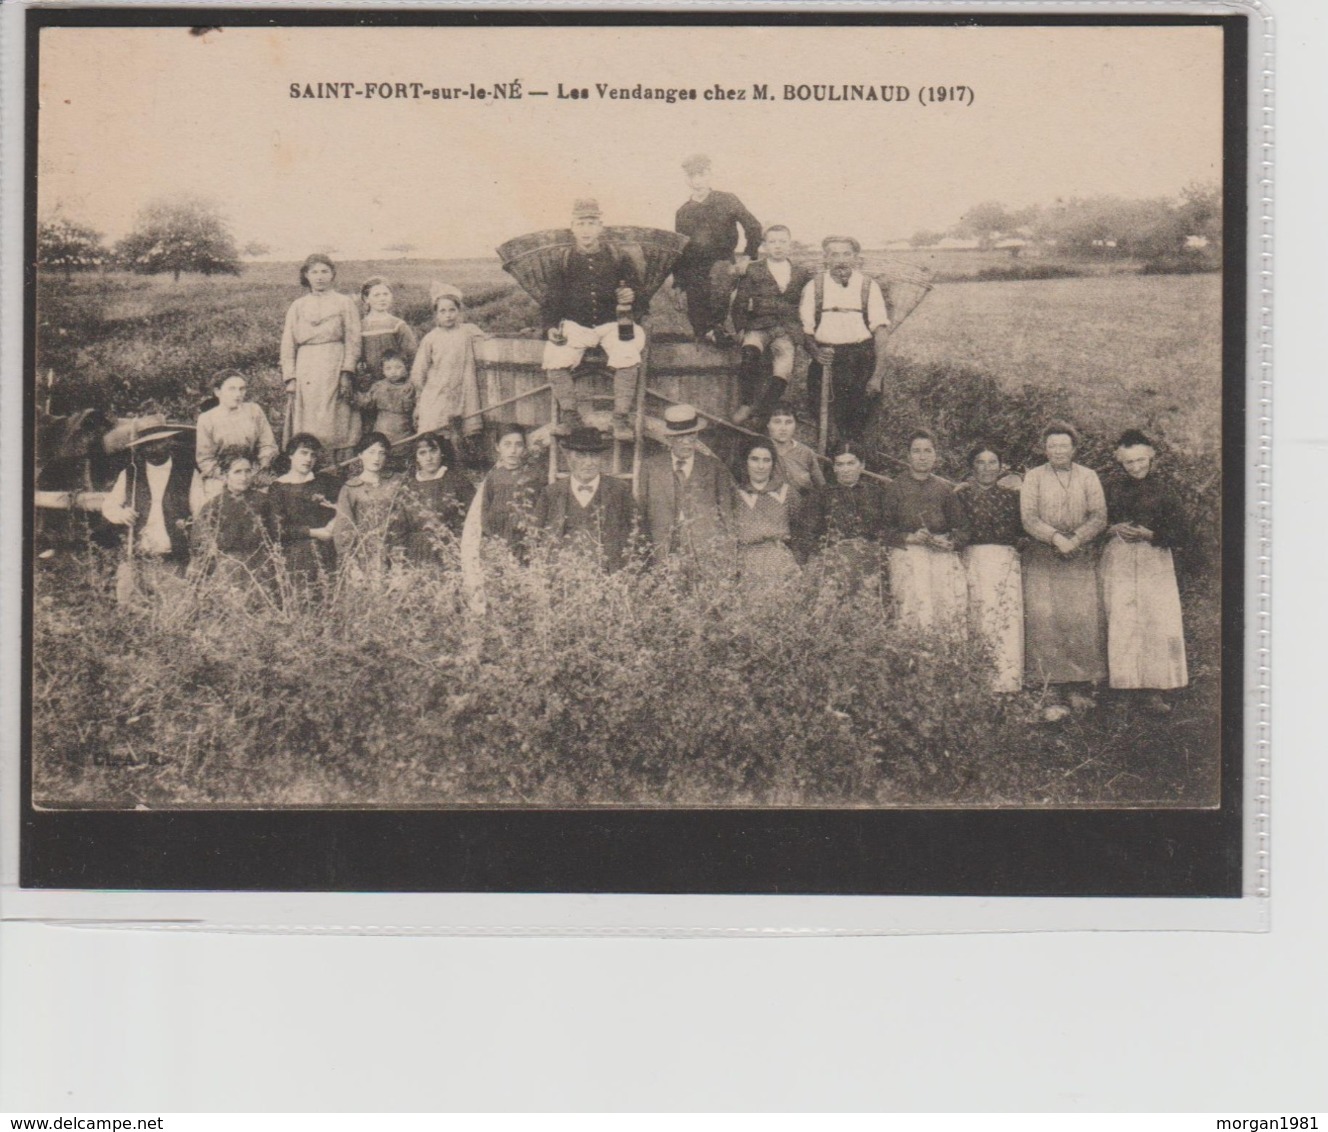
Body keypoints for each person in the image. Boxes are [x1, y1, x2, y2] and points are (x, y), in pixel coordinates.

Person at [539, 199, 647, 440]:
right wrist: (549, 327)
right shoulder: (563, 260)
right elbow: (551, 300)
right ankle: (570, 417)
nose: (586, 229)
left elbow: (641, 294)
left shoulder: (618, 256)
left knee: (628, 352)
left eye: (591, 223)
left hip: (612, 324)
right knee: (554, 358)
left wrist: (633, 295)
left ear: (600, 226)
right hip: (577, 325)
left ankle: (620, 419)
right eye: (581, 223)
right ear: (572, 227)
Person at [1020, 421, 1108, 715]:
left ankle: (1079, 685)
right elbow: (1029, 518)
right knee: (1045, 620)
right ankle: (1050, 687)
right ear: (1044, 449)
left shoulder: (1088, 476)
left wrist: (1077, 538)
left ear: (1073, 447)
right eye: (1052, 445)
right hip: (1043, 554)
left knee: (1080, 617)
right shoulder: (1033, 477)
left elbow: (1099, 516)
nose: (1058, 450)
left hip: (1079, 555)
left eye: (1063, 445)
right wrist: (1056, 538)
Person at [1100, 429, 1189, 710]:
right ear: (1120, 462)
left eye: (1141, 460)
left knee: (1155, 621)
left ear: (1151, 456)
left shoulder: (1165, 490)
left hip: (1154, 561)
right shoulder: (1110, 488)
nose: (1136, 467)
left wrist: (1151, 534)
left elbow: (1184, 532)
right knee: (1122, 619)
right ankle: (1124, 687)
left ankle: (1154, 689)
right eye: (1129, 462)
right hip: (1120, 559)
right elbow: (1096, 521)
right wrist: (1113, 528)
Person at [799, 236, 891, 446]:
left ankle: (862, 470)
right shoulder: (814, 287)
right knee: (827, 425)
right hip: (827, 362)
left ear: (856, 257)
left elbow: (881, 332)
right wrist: (815, 353)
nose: (841, 260)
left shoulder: (869, 286)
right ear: (826, 258)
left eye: (846, 254)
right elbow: (805, 330)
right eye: (835, 254)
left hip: (861, 361)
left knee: (862, 424)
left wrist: (877, 376)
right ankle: (829, 469)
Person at [101, 424, 201, 604]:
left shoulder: (188, 473)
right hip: (139, 554)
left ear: (169, 442)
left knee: (175, 608)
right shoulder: (131, 473)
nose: (154, 448)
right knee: (130, 604)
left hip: (173, 555)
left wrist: (195, 549)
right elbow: (109, 506)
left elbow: (200, 511)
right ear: (141, 448)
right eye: (148, 444)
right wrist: (121, 514)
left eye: (159, 442)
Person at [882, 430, 969, 633]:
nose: (922, 456)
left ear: (935, 455)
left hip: (940, 556)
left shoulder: (944, 489)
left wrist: (951, 542)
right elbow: (883, 529)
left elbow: (963, 527)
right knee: (913, 609)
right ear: (908, 456)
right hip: (907, 556)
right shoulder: (895, 488)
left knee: (945, 609)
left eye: (927, 451)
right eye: (916, 451)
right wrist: (910, 538)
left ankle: (944, 661)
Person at [955, 443, 1026, 693]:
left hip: (1005, 562)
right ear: (971, 467)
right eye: (980, 463)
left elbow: (1022, 532)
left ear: (1001, 466)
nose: (987, 468)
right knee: (978, 617)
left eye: (992, 462)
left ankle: (1007, 683)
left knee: (1005, 618)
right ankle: (979, 683)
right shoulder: (960, 496)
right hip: (973, 560)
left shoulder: (1013, 497)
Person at [281, 253, 363, 464]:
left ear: (333, 274)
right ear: (306, 275)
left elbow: (353, 340)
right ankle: (308, 463)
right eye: (314, 272)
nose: (320, 277)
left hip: (334, 365)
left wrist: (347, 372)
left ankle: (340, 465)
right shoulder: (297, 306)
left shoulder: (344, 303)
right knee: (308, 420)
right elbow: (288, 343)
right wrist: (290, 378)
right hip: (306, 368)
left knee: (337, 418)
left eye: (325, 271)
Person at [672, 153, 762, 346]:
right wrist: (679, 285)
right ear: (686, 179)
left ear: (709, 174)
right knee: (698, 317)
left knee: (721, 286)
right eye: (692, 176)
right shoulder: (683, 212)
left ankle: (719, 331)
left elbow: (753, 227)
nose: (697, 181)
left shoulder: (727, 200)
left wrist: (747, 256)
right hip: (695, 269)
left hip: (723, 264)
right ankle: (710, 334)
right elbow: (680, 251)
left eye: (702, 174)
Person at [730, 225, 813, 426]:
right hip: (759, 324)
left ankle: (762, 414)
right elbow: (741, 299)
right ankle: (746, 404)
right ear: (765, 246)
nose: (778, 246)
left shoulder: (801, 273)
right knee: (749, 352)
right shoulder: (753, 269)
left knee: (783, 372)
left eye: (783, 241)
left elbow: (810, 301)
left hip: (787, 328)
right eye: (773, 242)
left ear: (790, 244)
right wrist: (740, 327)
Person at [638, 403, 735, 571]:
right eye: (679, 437)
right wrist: (648, 554)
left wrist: (727, 555)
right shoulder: (650, 468)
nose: (686, 443)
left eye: (691, 436)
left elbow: (727, 516)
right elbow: (642, 514)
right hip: (664, 551)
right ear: (669, 438)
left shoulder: (714, 468)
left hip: (706, 553)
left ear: (697, 435)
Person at [535, 427, 641, 572]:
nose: (588, 462)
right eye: (581, 456)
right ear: (568, 458)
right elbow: (536, 537)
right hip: (563, 577)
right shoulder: (551, 493)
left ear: (601, 458)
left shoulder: (620, 490)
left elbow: (637, 534)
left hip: (608, 578)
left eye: (594, 456)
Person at [808, 441, 889, 596]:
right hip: (834, 560)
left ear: (862, 465)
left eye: (851, 463)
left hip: (870, 559)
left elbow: (886, 528)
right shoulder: (822, 495)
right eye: (840, 464)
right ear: (834, 468)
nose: (845, 469)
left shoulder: (876, 493)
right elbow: (809, 532)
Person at [191, 449, 278, 591]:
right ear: (225, 475)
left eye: (247, 471)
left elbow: (276, 535)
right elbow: (199, 544)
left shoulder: (264, 502)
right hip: (227, 574)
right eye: (237, 472)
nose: (244, 477)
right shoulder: (213, 506)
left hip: (260, 571)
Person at [411, 283, 486, 446]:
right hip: (437, 392)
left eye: (452, 310)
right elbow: (419, 372)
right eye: (442, 311)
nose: (448, 315)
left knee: (461, 434)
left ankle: (461, 464)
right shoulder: (431, 338)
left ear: (459, 311)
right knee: (436, 430)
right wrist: (419, 398)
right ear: (436, 315)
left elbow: (487, 341)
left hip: (462, 391)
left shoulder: (468, 331)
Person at [195, 370, 279, 505]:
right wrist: (227, 477)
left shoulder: (254, 411)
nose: (238, 394)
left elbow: (267, 444)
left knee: (268, 501)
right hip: (221, 476)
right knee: (219, 506)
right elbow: (205, 459)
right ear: (218, 392)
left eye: (242, 389)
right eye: (232, 389)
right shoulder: (207, 419)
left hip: (254, 472)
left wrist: (261, 467)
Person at [269, 432, 339, 593]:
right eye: (303, 453)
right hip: (295, 554)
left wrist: (333, 523)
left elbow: (344, 503)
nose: (308, 459)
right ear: (291, 455)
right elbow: (278, 530)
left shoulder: (325, 481)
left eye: (313, 455)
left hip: (326, 550)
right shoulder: (278, 487)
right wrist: (314, 532)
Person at [393, 432, 476, 565]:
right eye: (422, 453)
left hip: (450, 550)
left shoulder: (458, 482)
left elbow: (473, 518)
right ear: (416, 458)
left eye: (433, 451)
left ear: (442, 452)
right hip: (416, 553)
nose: (429, 458)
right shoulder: (408, 487)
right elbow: (398, 528)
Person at [733, 437, 804, 590]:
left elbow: (800, 530)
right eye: (754, 459)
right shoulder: (735, 495)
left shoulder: (787, 492)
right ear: (745, 462)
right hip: (747, 564)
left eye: (766, 460)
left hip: (780, 562)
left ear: (773, 463)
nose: (760, 466)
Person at [333, 431, 402, 568]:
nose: (376, 458)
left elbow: (403, 518)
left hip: (394, 551)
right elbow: (343, 529)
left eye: (381, 453)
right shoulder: (350, 488)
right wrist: (351, 565)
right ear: (360, 455)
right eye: (371, 452)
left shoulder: (396, 482)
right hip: (364, 554)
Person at [358, 275, 418, 390]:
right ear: (366, 299)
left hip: (396, 384)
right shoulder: (360, 326)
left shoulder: (398, 325)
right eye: (377, 295)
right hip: (369, 385)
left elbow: (412, 355)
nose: (382, 298)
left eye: (386, 294)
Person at [357, 349, 416, 445]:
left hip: (405, 432)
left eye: (398, 367)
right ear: (383, 371)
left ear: (406, 368)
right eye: (388, 368)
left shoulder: (410, 387)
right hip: (382, 430)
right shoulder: (379, 386)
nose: (393, 372)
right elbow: (366, 402)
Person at [765, 403, 825, 499]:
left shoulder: (806, 452)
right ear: (768, 424)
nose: (783, 428)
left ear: (795, 425)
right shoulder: (761, 450)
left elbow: (821, 487)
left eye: (788, 422)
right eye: (777, 422)